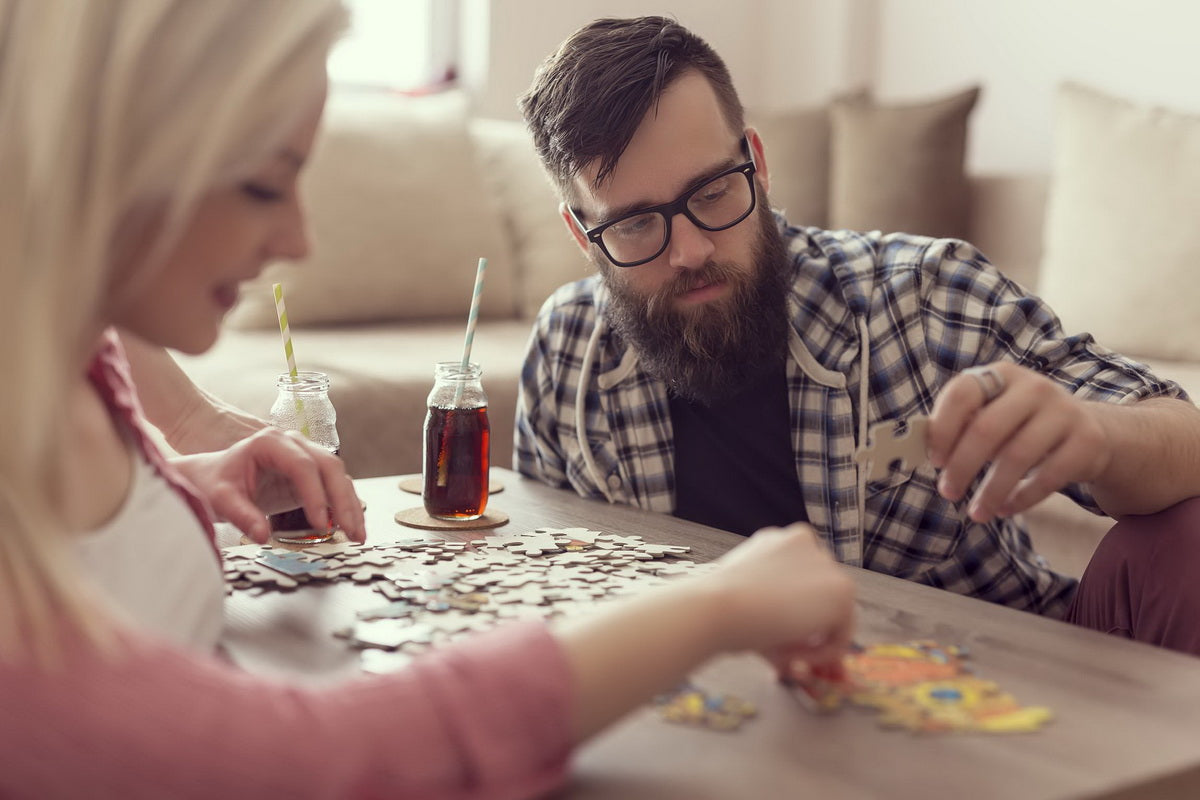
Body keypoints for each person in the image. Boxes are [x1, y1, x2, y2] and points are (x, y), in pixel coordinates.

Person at [0, 1, 857, 795]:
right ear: (102, 149)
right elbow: (324, 759)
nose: (299, 237)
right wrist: (715, 605)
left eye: (712, 192)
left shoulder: (82, 364)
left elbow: (88, 560)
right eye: (265, 182)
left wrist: (180, 488)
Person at [515, 16, 1200, 655]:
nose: (689, 249)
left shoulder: (928, 296)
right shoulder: (566, 349)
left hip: (973, 696)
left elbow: (1183, 435)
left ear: (755, 161)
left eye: (713, 192)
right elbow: (545, 597)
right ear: (583, 235)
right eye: (635, 223)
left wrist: (1097, 435)